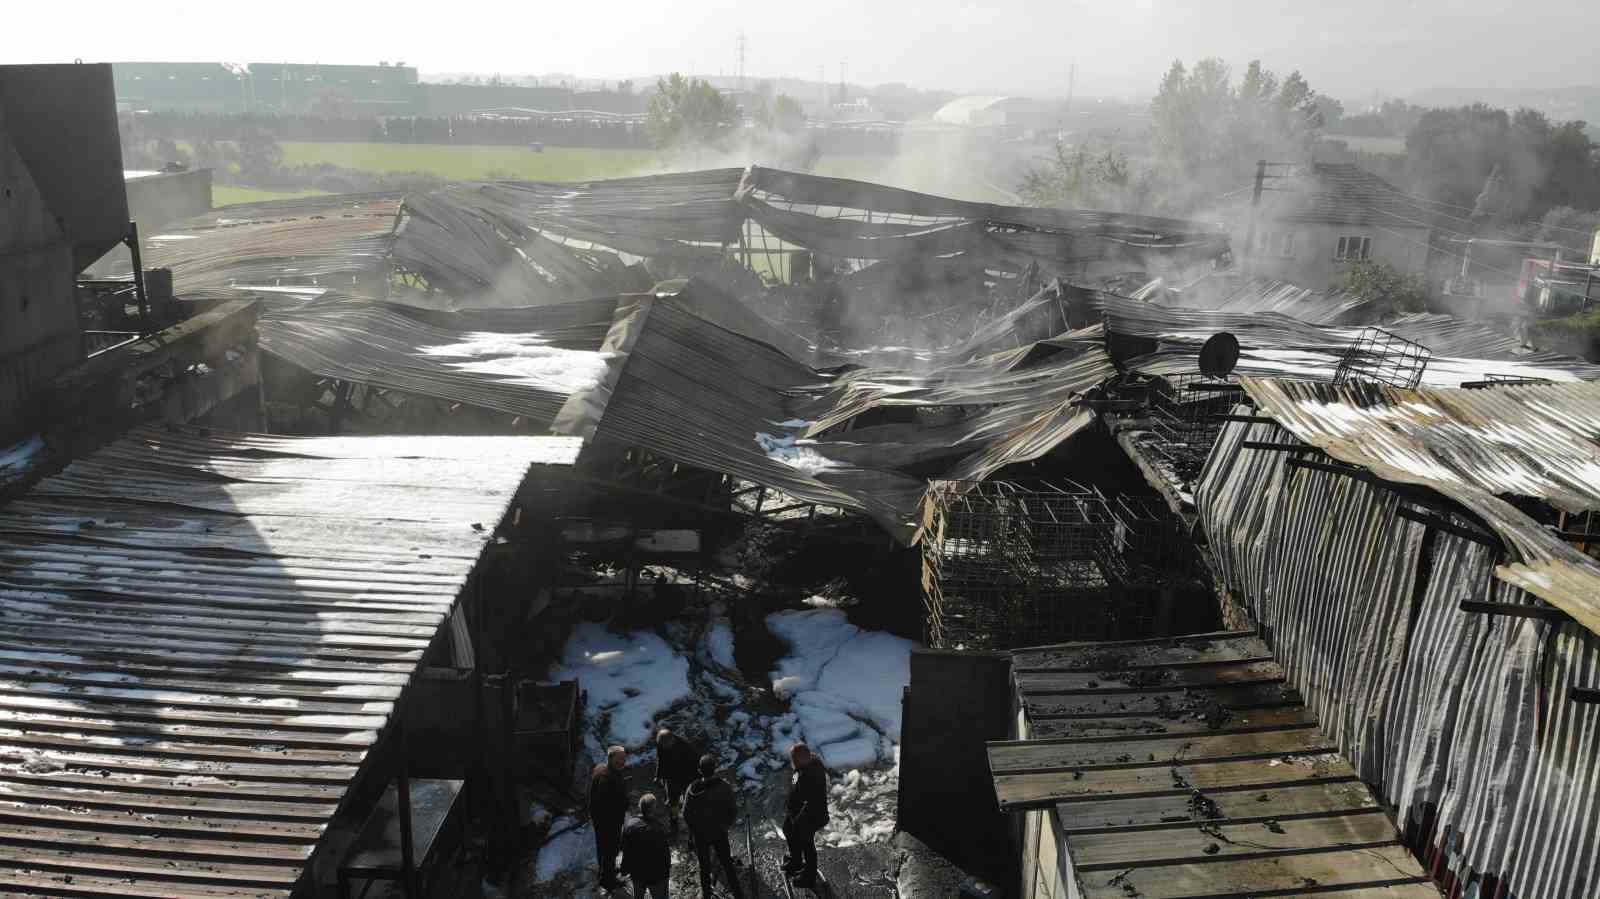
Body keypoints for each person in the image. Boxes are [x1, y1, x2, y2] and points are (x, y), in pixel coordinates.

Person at [682, 754, 743, 899]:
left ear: (699, 770)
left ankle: (707, 895)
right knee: (727, 864)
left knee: (704, 867)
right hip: (719, 832)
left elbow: (686, 814)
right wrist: (726, 825)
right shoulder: (724, 787)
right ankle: (738, 894)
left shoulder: (692, 789)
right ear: (715, 769)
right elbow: (733, 810)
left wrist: (694, 829)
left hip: (700, 834)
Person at [783, 743, 829, 888]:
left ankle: (809, 876)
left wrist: (798, 819)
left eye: (794, 759)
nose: (792, 762)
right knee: (787, 829)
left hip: (812, 815)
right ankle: (796, 861)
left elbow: (812, 802)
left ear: (803, 759)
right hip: (798, 811)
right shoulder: (806, 764)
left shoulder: (812, 775)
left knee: (807, 844)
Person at [589, 745, 630, 890]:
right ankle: (607, 879)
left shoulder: (600, 768)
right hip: (608, 822)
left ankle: (606, 870)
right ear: (611, 758)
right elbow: (606, 804)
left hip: (600, 819)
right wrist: (623, 804)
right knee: (610, 849)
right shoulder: (607, 778)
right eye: (620, 760)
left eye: (624, 759)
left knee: (603, 848)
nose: (623, 762)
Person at [620, 793, 672, 899]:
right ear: (653, 809)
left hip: (637, 873)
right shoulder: (659, 829)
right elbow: (665, 856)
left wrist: (624, 868)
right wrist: (666, 874)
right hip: (656, 875)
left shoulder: (629, 825)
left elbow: (625, 849)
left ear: (640, 807)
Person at [653, 728, 701, 834]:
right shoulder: (661, 744)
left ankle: (693, 829)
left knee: (690, 803)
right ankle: (674, 822)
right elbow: (661, 760)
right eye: (661, 745)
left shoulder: (685, 746)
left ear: (672, 740)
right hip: (671, 778)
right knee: (672, 802)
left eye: (665, 745)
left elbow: (697, 763)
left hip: (687, 777)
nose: (663, 747)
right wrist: (658, 775)